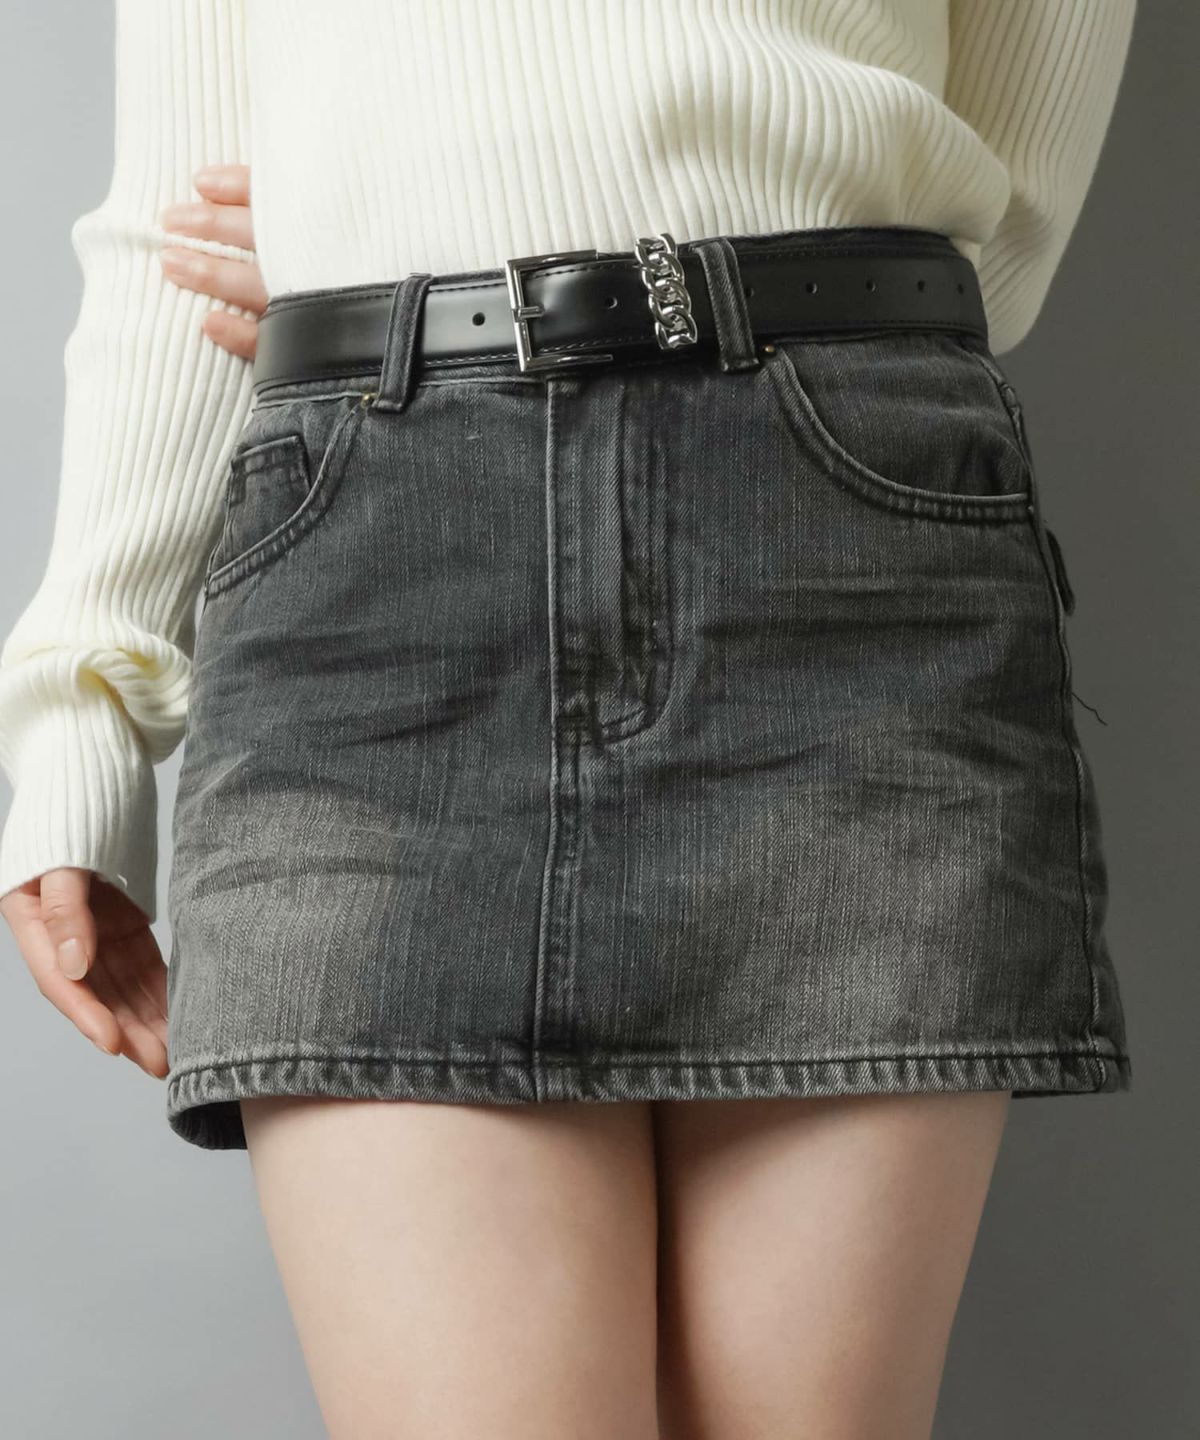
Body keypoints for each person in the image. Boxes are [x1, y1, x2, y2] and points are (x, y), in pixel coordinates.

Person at [0, 3, 1137, 1436]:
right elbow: (170, 232)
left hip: (834, 534)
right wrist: (80, 715)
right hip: (377, 569)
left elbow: (1000, 221)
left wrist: (485, 217)